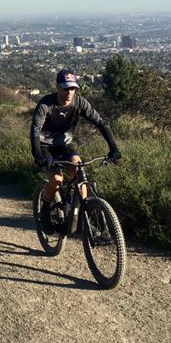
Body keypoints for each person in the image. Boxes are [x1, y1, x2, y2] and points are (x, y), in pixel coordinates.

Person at [30, 69, 121, 232]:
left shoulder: (80, 103)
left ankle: (82, 217)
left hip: (65, 145)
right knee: (57, 179)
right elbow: (35, 131)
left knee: (80, 174)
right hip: (44, 146)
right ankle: (45, 210)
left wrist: (113, 148)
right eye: (65, 88)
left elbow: (101, 124)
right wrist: (38, 155)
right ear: (57, 87)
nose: (69, 92)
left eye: (72, 88)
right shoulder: (46, 104)